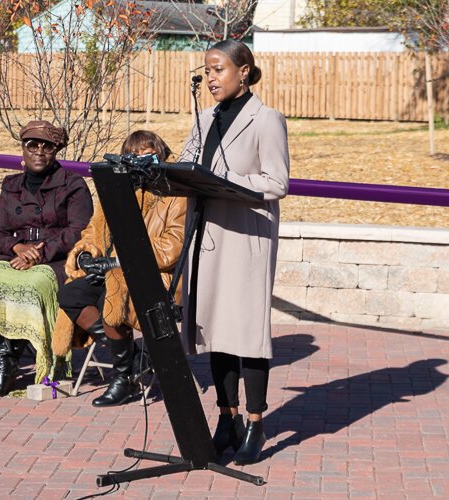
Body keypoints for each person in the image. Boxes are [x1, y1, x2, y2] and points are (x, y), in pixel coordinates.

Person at [180, 40, 290, 464]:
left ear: (243, 71)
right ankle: (227, 418)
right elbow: (190, 165)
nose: (210, 78)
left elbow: (277, 182)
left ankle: (256, 422)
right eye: (206, 70)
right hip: (206, 237)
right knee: (216, 330)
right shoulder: (204, 118)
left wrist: (226, 177)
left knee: (247, 334)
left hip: (245, 240)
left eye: (218, 69)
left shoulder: (267, 120)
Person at [53, 130, 186, 407]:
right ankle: (136, 357)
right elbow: (93, 231)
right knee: (71, 294)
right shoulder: (119, 187)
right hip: (113, 271)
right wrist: (86, 254)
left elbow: (173, 246)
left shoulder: (174, 194)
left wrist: (121, 262)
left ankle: (122, 377)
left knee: (110, 297)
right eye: (132, 156)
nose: (139, 161)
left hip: (157, 276)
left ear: (160, 155)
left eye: (146, 154)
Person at [0, 120, 93, 397]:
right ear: (23, 150)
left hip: (58, 259)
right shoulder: (11, 185)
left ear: (56, 151)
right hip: (17, 256)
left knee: (34, 285)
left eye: (47, 146)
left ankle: (27, 361)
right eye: (32, 145)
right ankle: (4, 360)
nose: (39, 151)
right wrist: (17, 247)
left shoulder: (73, 184)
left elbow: (79, 231)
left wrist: (40, 253)